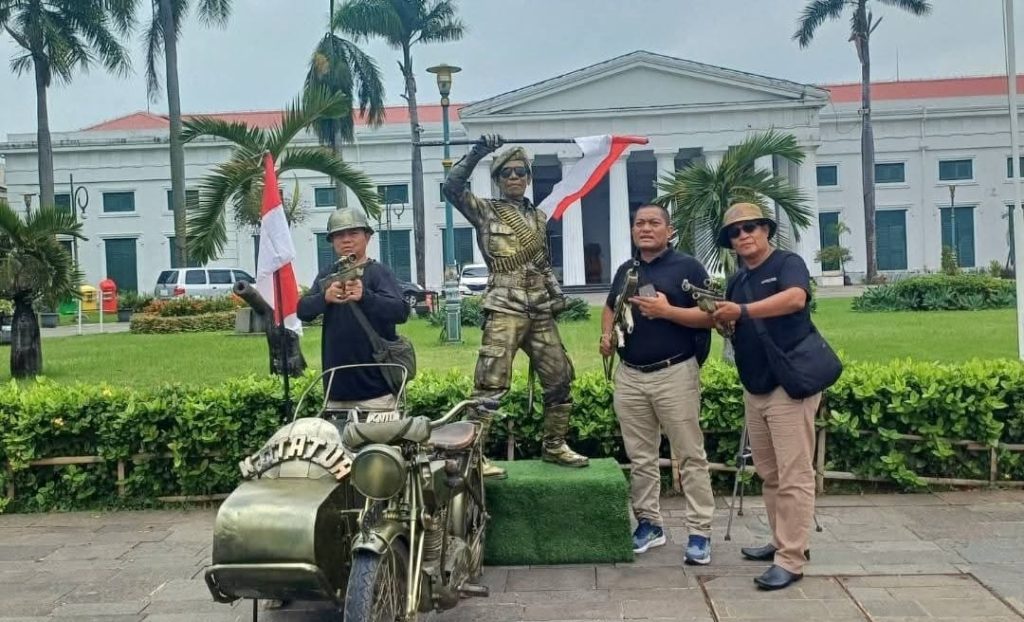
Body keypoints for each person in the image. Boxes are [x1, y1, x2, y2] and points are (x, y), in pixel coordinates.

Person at [443, 134, 589, 478]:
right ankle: (473, 457)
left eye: (520, 172)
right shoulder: (485, 210)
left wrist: (556, 295)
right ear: (497, 179)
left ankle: (554, 446)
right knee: (490, 384)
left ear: (528, 178)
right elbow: (451, 187)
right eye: (506, 173)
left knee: (560, 378)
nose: (513, 177)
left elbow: (542, 263)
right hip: (504, 306)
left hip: (539, 308)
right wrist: (479, 151)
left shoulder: (537, 218)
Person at [710, 202, 819, 591]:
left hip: (789, 386)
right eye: (735, 232)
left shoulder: (787, 263)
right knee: (769, 473)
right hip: (755, 386)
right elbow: (737, 324)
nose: (743, 235)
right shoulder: (738, 280)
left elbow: (795, 299)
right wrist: (725, 321)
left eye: (751, 227)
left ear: (766, 230)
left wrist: (741, 310)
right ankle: (781, 542)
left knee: (794, 474)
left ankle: (791, 559)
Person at [600, 204, 716, 565]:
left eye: (653, 223)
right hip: (630, 375)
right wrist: (606, 335)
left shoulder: (688, 267)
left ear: (669, 230)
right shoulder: (627, 269)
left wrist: (668, 312)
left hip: (674, 372)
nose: (645, 228)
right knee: (641, 457)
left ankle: (700, 532)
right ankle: (649, 523)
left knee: (690, 455)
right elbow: (610, 306)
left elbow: (712, 316)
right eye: (639, 223)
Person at [297, 207, 410, 412]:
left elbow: (401, 311)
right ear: (332, 241)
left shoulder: (378, 273)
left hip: (377, 393)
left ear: (367, 237)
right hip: (336, 392)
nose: (346, 239)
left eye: (353, 233)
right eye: (339, 235)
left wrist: (365, 296)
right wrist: (325, 298)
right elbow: (303, 310)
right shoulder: (327, 275)